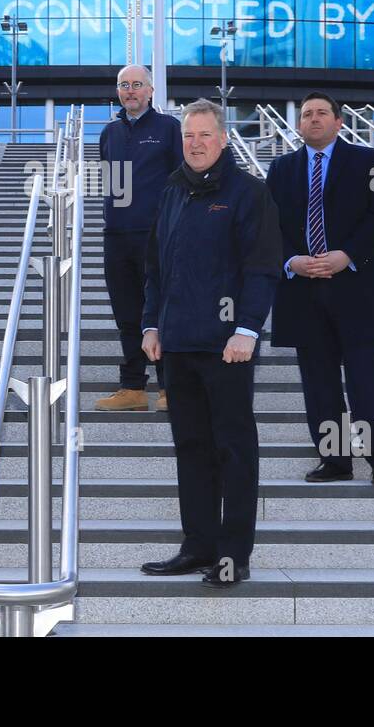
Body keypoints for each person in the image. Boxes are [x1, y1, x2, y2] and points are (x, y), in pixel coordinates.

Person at [139, 99, 282, 588]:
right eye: (187, 136)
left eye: (204, 135)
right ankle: (197, 545)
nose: (195, 144)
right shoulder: (173, 191)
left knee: (233, 451)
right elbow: (156, 268)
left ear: (223, 139)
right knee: (191, 448)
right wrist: (150, 326)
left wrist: (246, 329)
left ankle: (232, 556)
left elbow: (261, 268)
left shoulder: (248, 193)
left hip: (227, 347)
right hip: (177, 344)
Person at [266, 91, 374, 487]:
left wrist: (347, 254)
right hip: (303, 292)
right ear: (299, 124)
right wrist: (292, 261)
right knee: (319, 383)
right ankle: (335, 460)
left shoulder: (367, 161)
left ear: (339, 121)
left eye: (321, 113)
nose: (313, 119)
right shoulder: (281, 169)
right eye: (306, 114)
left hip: (356, 287)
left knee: (367, 381)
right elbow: (268, 226)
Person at [95, 64, 182, 412]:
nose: (129, 90)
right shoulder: (109, 132)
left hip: (155, 235)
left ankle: (169, 387)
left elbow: (180, 181)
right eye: (123, 85)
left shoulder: (169, 128)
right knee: (126, 314)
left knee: (160, 310)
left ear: (150, 91)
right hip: (117, 235)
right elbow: (107, 184)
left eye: (136, 85)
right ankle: (132, 387)